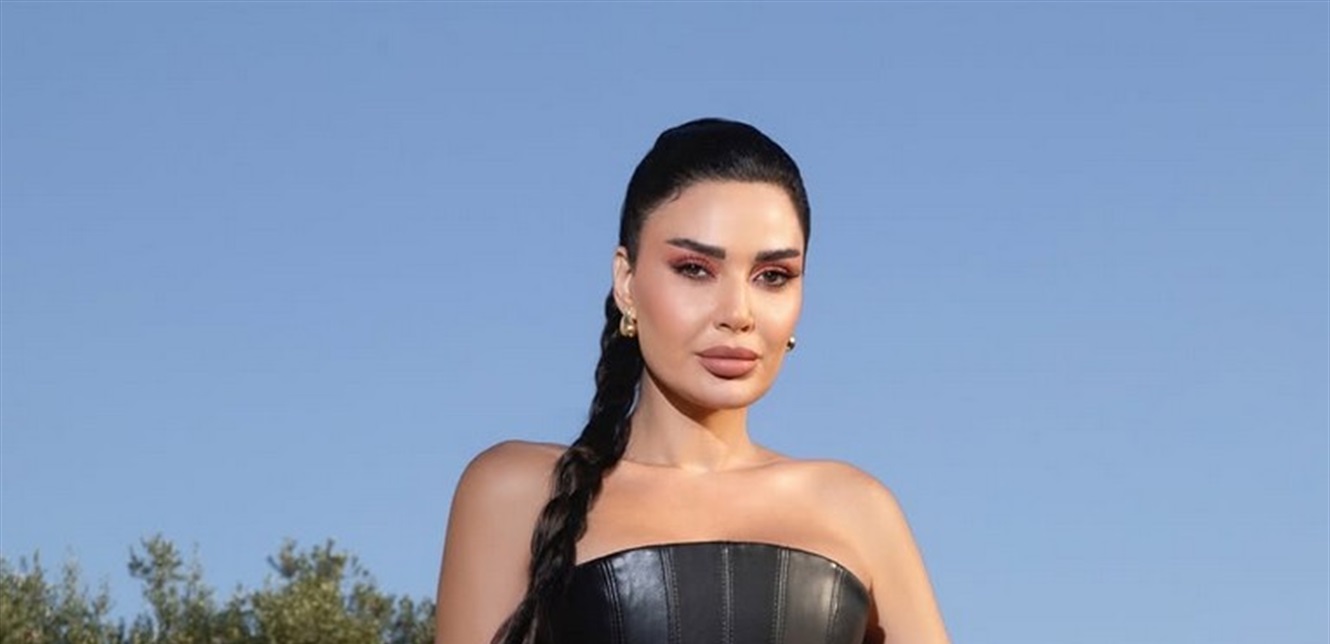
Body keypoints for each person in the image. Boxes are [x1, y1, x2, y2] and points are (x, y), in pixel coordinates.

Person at [434, 118, 950, 644]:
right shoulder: (515, 492)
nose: (738, 313)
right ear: (626, 283)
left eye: (772, 277)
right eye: (695, 269)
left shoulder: (859, 512)